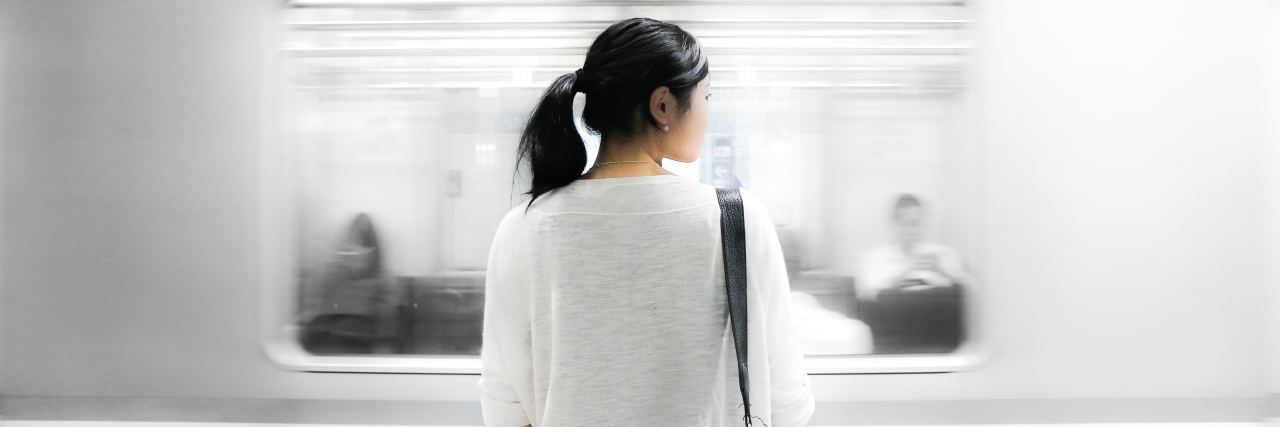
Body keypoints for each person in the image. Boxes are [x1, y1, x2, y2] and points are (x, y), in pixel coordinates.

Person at [478, 17, 815, 427]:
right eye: (706, 96)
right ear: (663, 105)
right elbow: (786, 401)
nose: (708, 113)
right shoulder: (737, 219)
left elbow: (504, 407)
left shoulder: (522, 228)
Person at [856, 194, 975, 302]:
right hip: (890, 320)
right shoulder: (875, 259)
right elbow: (864, 296)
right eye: (910, 223)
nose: (916, 230)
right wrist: (904, 274)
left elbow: (973, 291)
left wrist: (942, 272)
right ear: (895, 224)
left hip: (937, 319)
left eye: (919, 223)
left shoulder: (942, 255)